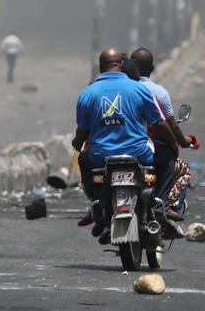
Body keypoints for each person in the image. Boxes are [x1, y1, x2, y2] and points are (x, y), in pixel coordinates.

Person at [73, 49, 169, 244]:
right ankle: (159, 201)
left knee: (83, 158)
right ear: (123, 66)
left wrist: (77, 144)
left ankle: (97, 201)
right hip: (138, 153)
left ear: (101, 67)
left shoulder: (87, 93)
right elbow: (158, 123)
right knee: (167, 158)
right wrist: (174, 142)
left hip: (101, 157)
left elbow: (81, 133)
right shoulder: (139, 89)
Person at [130, 48, 196, 219]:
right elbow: (167, 125)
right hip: (148, 148)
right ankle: (165, 204)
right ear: (152, 68)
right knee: (178, 167)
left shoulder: (122, 89)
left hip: (121, 146)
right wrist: (178, 143)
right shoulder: (157, 92)